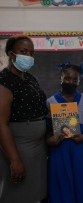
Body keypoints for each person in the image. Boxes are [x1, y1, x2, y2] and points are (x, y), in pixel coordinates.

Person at [0, 35, 48, 202]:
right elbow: (1, 124)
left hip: (38, 148)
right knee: (17, 192)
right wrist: (15, 160)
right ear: (11, 54)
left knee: (36, 190)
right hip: (19, 147)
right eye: (24, 51)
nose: (28, 56)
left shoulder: (29, 78)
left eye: (32, 53)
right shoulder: (4, 81)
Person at [46, 62, 83, 203]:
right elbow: (47, 131)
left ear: (79, 81)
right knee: (62, 185)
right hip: (60, 150)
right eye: (68, 78)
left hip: (81, 149)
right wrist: (50, 140)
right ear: (61, 78)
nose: (71, 82)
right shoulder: (50, 102)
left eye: (75, 79)